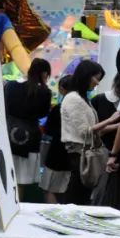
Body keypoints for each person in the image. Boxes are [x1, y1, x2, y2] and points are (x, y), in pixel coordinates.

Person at [3, 57, 52, 198]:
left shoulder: (11, 86)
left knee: (5, 176)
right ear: (44, 73)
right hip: (30, 138)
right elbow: (43, 113)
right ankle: (16, 206)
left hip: (8, 133)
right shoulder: (44, 92)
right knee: (21, 180)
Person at [60, 60, 104, 205]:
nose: (97, 82)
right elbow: (85, 131)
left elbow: (92, 129)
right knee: (77, 194)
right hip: (78, 153)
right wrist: (111, 121)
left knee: (80, 193)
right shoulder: (74, 98)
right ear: (87, 75)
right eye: (96, 78)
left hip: (82, 153)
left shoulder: (83, 98)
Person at [40, 75, 72, 203]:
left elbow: (48, 130)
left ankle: (53, 212)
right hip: (71, 155)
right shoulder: (82, 108)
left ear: (62, 89)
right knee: (63, 189)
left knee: (48, 189)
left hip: (56, 153)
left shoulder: (59, 108)